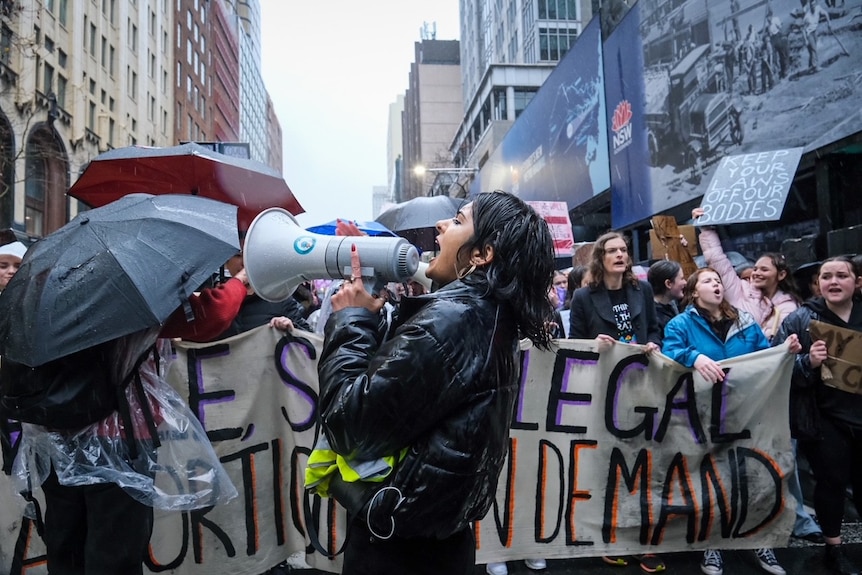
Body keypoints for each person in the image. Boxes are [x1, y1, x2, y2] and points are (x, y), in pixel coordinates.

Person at [315, 191, 556, 575]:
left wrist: (351, 321)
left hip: (399, 551)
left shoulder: (451, 322)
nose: (441, 227)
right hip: (438, 538)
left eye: (458, 221)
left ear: (482, 255)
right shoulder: (489, 316)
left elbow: (350, 425)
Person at [22, 267, 249, 575]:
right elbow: (212, 316)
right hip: (121, 437)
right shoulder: (131, 286)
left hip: (56, 434)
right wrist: (240, 281)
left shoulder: (47, 284)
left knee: (66, 541)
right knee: (115, 549)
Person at [662, 267, 800, 575]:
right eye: (708, 280)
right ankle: (712, 546)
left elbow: (762, 358)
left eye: (718, 280)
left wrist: (783, 352)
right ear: (695, 291)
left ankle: (758, 540)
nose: (716, 284)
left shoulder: (745, 321)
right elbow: (670, 353)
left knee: (752, 478)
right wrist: (693, 357)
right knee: (710, 481)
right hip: (703, 415)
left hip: (746, 411)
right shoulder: (680, 324)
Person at [569, 232, 663, 573]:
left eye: (624, 250)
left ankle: (640, 539)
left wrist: (652, 344)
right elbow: (575, 343)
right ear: (600, 257)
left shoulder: (643, 290)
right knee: (606, 465)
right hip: (603, 390)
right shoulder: (583, 297)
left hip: (640, 386)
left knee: (639, 466)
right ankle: (606, 536)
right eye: (612, 251)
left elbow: (654, 329)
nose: (620, 255)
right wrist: (595, 343)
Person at [772, 256, 862, 575]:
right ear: (818, 284)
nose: (833, 282)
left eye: (841, 275)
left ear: (857, 282)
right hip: (823, 418)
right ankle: (834, 550)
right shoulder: (798, 320)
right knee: (831, 482)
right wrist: (807, 362)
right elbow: (776, 371)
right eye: (827, 277)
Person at [693, 208, 801, 341]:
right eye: (755, 269)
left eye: (764, 269)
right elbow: (717, 259)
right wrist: (706, 229)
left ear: (781, 275)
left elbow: (783, 340)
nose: (756, 273)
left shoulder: (789, 306)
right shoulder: (740, 289)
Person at [212, 244, 310, 340]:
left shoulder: (278, 299)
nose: (244, 262)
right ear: (227, 263)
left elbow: (311, 340)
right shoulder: (215, 302)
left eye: (249, 256)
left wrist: (291, 328)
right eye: (238, 256)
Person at [648, 259, 686, 338]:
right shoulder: (655, 318)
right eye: (682, 279)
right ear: (668, 284)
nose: (685, 282)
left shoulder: (671, 305)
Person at [799, 0, 832, 72]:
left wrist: (829, 23)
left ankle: (811, 66)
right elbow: (803, 29)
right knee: (813, 49)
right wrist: (805, 40)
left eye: (814, 5)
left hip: (814, 32)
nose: (813, 7)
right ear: (810, 7)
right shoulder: (807, 17)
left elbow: (826, 13)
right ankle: (816, 66)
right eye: (812, 6)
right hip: (808, 34)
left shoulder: (818, 8)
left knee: (812, 50)